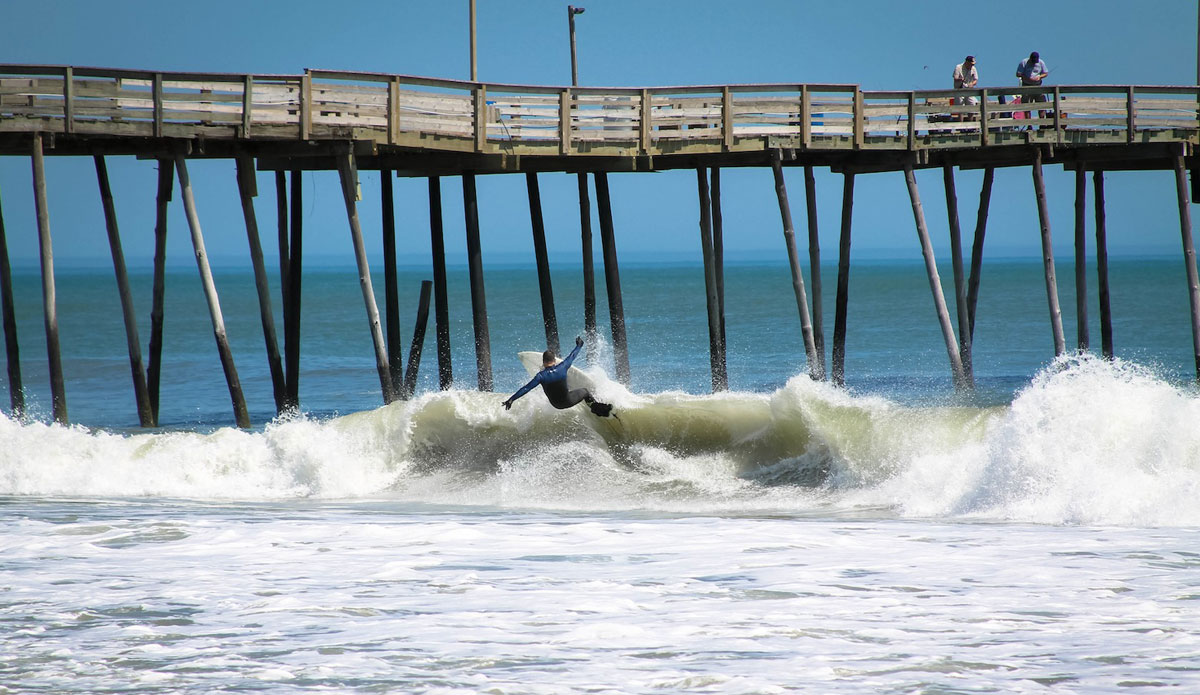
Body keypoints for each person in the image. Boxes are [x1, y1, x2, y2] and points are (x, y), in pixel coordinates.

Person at [503, 335, 614, 417]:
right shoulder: (562, 367)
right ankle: (597, 409)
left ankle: (594, 408)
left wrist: (511, 399)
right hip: (568, 400)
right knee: (585, 392)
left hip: (556, 404)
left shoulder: (540, 377)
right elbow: (572, 356)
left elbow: (526, 388)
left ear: (543, 361)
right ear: (554, 360)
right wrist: (579, 345)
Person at [1015, 51, 1050, 122]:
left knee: (1041, 104)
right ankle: (1029, 123)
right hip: (1027, 85)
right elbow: (1018, 74)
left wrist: (1040, 77)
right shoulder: (1024, 62)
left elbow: (1046, 73)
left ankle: (1042, 123)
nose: (1034, 62)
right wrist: (1027, 78)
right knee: (1027, 105)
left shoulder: (1041, 62)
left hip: (1037, 86)